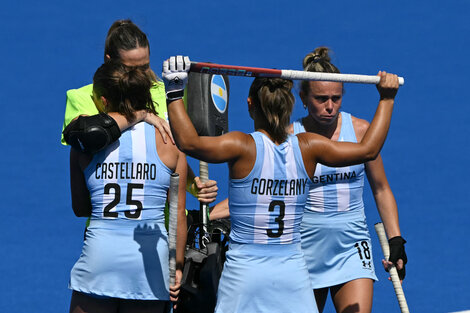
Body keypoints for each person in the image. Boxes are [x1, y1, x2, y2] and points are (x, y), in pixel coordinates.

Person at [162, 55, 399, 313]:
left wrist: (174, 92)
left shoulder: (241, 146)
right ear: (291, 105)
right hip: (292, 273)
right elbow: (369, 149)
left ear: (251, 105)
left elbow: (188, 143)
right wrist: (386, 99)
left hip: (245, 274)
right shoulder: (308, 146)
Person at [289, 47, 407, 313]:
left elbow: (381, 189)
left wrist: (396, 240)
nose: (330, 107)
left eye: (336, 98)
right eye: (321, 99)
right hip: (302, 248)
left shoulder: (362, 130)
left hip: (351, 246)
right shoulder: (289, 138)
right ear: (303, 98)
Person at [69, 61, 187, 313]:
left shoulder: (83, 147)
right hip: (150, 267)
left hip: (99, 262)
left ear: (103, 101)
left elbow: (81, 208)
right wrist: (177, 267)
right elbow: (178, 215)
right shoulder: (170, 143)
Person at [61, 19, 217, 202]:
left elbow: (172, 155)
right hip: (110, 223)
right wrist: (142, 115)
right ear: (108, 61)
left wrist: (193, 186)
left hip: (164, 225)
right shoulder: (82, 97)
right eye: (130, 69)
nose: (140, 77)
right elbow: (86, 136)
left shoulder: (169, 94)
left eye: (144, 67)